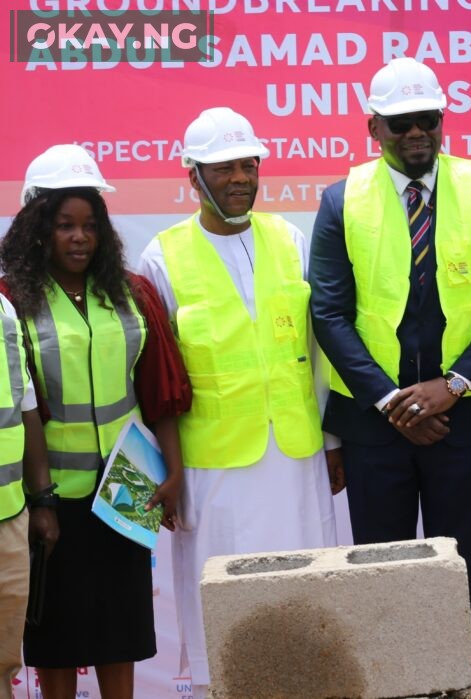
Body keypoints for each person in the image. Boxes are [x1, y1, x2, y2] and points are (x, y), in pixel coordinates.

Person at [310, 57, 471, 661]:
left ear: (442, 119)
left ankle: (461, 678)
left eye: (427, 120)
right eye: (400, 123)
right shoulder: (340, 200)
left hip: (461, 420)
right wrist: (391, 401)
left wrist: (453, 385)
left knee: (457, 571)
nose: (415, 134)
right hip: (374, 426)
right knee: (382, 574)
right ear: (372, 127)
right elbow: (328, 314)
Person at [139, 108, 338, 699]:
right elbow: (158, 379)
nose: (240, 178)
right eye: (223, 167)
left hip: (296, 456)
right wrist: (169, 471)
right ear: (193, 177)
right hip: (212, 470)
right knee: (221, 609)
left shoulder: (289, 238)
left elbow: (317, 352)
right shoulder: (163, 255)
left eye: (249, 164)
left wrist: (332, 441)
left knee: (303, 597)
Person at [1, 144, 190, 699]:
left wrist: (173, 475)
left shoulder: (132, 294)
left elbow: (161, 392)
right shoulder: (13, 302)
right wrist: (41, 503)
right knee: (55, 638)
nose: (79, 237)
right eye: (64, 225)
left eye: (89, 225)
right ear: (39, 228)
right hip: (53, 498)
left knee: (120, 635)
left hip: (125, 492)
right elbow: (22, 405)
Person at [0, 263, 54, 699]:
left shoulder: (4, 312)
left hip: (9, 520)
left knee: (4, 663)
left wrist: (43, 500)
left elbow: (26, 408)